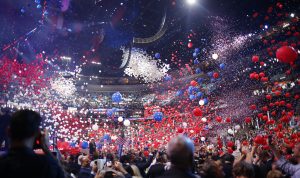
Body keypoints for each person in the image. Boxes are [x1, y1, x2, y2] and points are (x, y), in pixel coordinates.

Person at [0, 109, 65, 178]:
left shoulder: (2, 164)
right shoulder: (47, 166)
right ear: (38, 134)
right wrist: (46, 148)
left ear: (8, 131)